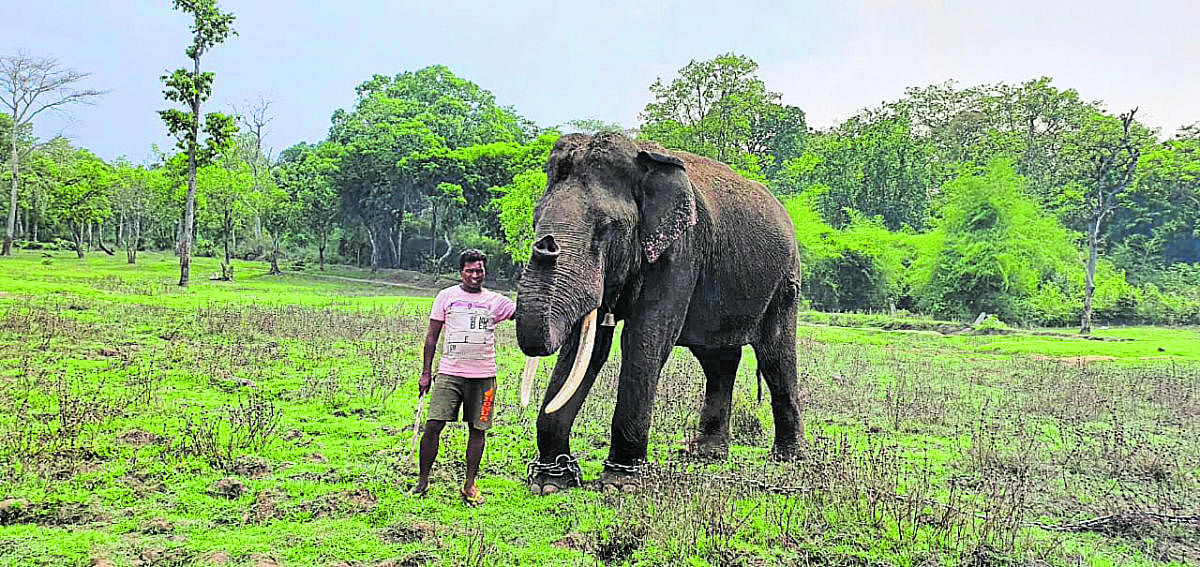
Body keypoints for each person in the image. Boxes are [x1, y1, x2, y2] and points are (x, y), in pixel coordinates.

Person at [411, 249, 516, 506]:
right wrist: (426, 372)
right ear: (461, 272)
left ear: (484, 271)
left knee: (478, 430)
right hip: (449, 374)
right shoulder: (446, 297)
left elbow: (525, 315)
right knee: (433, 425)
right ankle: (423, 481)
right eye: (469, 270)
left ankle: (469, 484)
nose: (474, 275)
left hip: (484, 377)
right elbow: (432, 337)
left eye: (479, 270)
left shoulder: (497, 301)